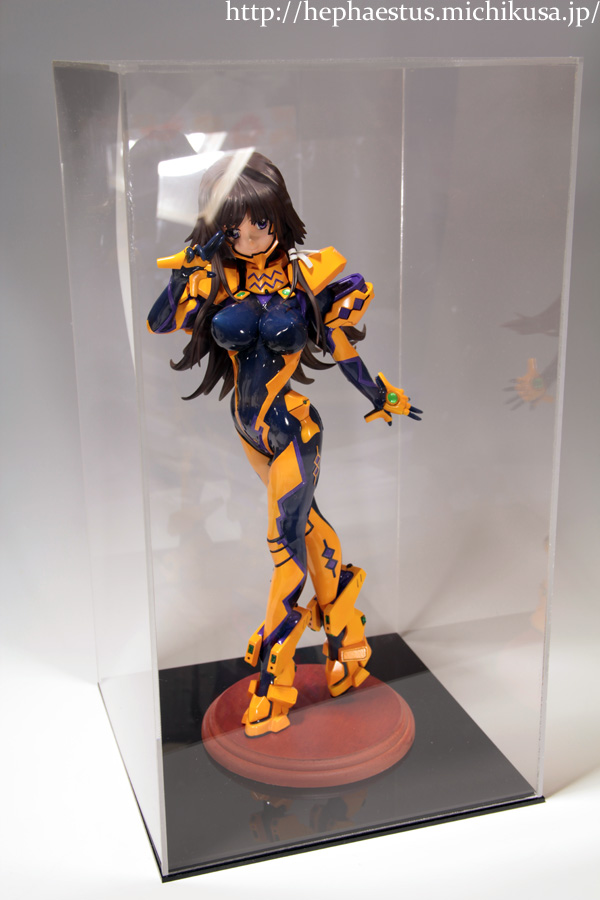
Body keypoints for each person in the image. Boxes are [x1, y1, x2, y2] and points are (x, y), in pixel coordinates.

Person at [148, 151, 421, 737]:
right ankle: (348, 630)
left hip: (295, 429)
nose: (248, 238)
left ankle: (275, 677)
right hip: (250, 433)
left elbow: (343, 349)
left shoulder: (309, 276)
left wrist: (381, 395)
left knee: (284, 544)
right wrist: (184, 271)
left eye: (260, 224)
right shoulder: (217, 276)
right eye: (234, 228)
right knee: (306, 526)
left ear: (279, 217)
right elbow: (160, 323)